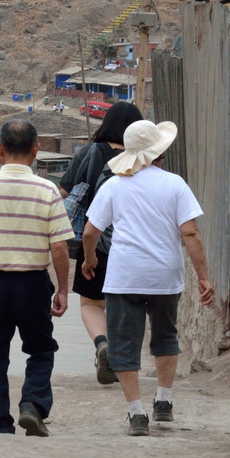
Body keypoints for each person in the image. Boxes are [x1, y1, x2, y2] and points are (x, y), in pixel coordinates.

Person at [81, 120, 215, 437]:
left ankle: (137, 413)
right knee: (165, 336)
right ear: (160, 151)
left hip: (124, 276)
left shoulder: (114, 185)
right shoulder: (175, 185)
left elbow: (90, 231)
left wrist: (90, 259)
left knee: (124, 346)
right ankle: (164, 400)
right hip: (165, 276)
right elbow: (191, 233)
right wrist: (203, 277)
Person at [0, 120, 73, 437]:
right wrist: (62, 289)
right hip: (32, 284)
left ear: (0, 151)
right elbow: (59, 246)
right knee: (40, 348)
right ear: (36, 151)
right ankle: (33, 404)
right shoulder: (48, 190)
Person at [57, 101, 143, 385]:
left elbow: (64, 190)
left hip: (97, 240)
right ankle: (118, 358)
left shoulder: (92, 152)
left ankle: (102, 343)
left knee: (92, 304)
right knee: (127, 304)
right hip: (138, 244)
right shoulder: (146, 157)